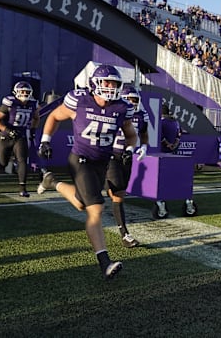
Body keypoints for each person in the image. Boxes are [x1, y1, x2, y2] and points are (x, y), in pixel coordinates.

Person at [37, 64, 137, 279]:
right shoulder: (79, 100)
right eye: (107, 82)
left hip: (102, 162)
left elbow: (131, 134)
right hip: (81, 160)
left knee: (82, 203)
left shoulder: (121, 107)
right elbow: (54, 116)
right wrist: (45, 140)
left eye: (115, 83)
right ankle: (104, 263)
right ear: (95, 84)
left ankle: (51, 181)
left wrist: (130, 149)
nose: (111, 87)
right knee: (96, 209)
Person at [106, 85, 148, 248]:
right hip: (111, 155)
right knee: (118, 195)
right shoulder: (113, 111)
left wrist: (144, 146)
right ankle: (125, 234)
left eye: (134, 100)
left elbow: (144, 133)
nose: (131, 102)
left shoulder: (141, 115)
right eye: (128, 99)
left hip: (127, 156)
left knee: (119, 192)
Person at [0, 81, 40, 197]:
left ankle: (22, 188)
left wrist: (33, 130)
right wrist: (7, 130)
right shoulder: (10, 102)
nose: (24, 94)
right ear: (16, 92)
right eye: (22, 91)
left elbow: (36, 118)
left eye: (27, 92)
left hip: (20, 135)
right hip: (6, 135)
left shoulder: (33, 103)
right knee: (3, 162)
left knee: (22, 160)